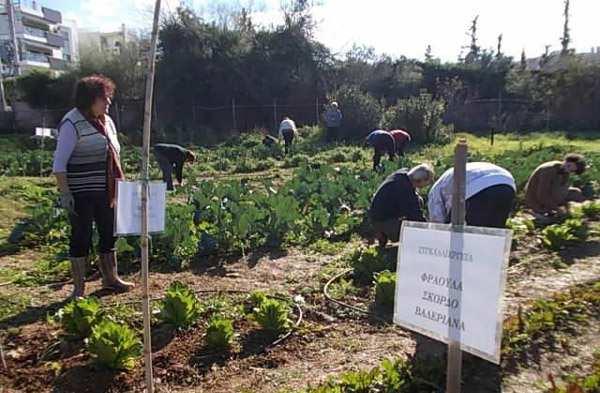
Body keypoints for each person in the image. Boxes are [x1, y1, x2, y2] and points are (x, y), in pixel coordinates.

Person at [53, 75, 134, 298]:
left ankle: (111, 278)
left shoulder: (107, 121)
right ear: (89, 100)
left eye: (108, 98)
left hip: (105, 190)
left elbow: (114, 152)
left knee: (109, 232)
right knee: (82, 235)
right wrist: (65, 193)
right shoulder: (72, 122)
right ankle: (78, 289)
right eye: (104, 99)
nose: (108, 103)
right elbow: (59, 164)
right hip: (80, 192)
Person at [428, 162, 516, 228]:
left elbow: (437, 221)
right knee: (496, 228)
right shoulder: (445, 182)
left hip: (478, 187)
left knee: (475, 231)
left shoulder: (434, 193)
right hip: (507, 182)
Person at [369, 164, 435, 246]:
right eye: (425, 184)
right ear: (419, 180)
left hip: (378, 212)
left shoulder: (403, 174)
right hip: (381, 219)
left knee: (418, 200)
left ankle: (383, 232)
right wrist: (430, 231)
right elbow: (415, 216)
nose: (424, 187)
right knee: (412, 229)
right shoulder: (404, 190)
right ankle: (383, 233)